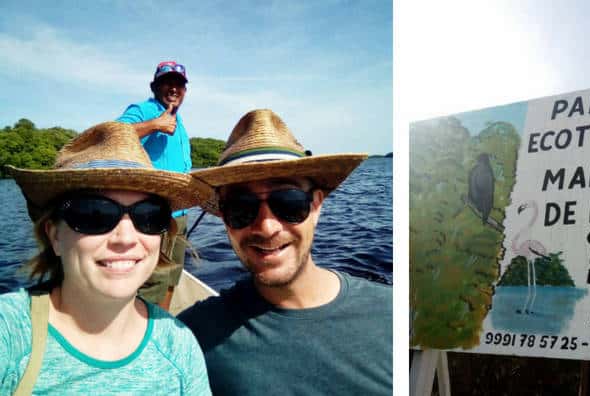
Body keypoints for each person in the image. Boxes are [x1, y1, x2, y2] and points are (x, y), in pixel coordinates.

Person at [178, 109, 392, 395]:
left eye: (288, 202)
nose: (266, 227)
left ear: (316, 206)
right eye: (241, 208)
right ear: (225, 220)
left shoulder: (392, 316)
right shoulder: (191, 337)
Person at [0, 122, 213, 395]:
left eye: (148, 215)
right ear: (54, 236)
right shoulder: (10, 333)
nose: (125, 238)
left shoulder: (180, 346)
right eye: (94, 214)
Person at [117, 61, 193, 310]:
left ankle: (162, 326)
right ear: (155, 86)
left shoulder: (178, 120)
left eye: (179, 84)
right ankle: (138, 335)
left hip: (179, 215)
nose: (174, 88)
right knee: (153, 281)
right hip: (152, 215)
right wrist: (154, 125)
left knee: (172, 277)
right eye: (167, 82)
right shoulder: (144, 110)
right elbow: (113, 134)